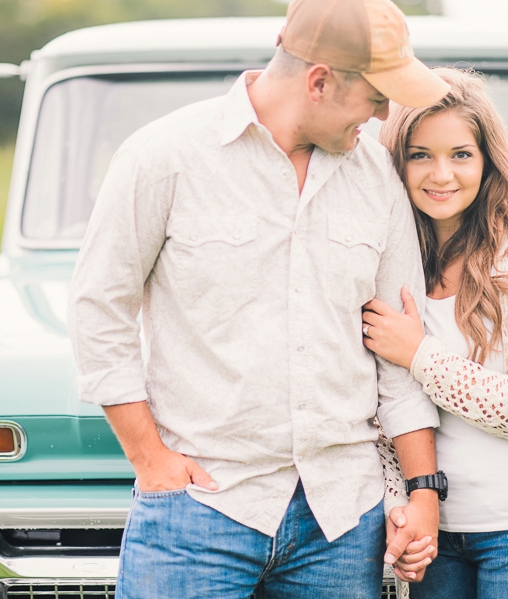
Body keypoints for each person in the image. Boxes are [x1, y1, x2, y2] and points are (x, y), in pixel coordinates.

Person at [66, 1, 453, 597]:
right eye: (375, 96)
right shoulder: (163, 157)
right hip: (198, 510)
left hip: (342, 523)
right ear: (319, 80)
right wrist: (150, 459)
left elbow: (400, 351)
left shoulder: (378, 179)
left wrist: (424, 490)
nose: (382, 115)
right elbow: (99, 309)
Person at [362, 68, 508, 599]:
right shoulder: (384, 257)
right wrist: (398, 502)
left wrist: (420, 354)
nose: (441, 174)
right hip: (430, 531)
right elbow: (373, 407)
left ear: (488, 159)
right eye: (420, 154)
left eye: (460, 154)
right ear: (395, 161)